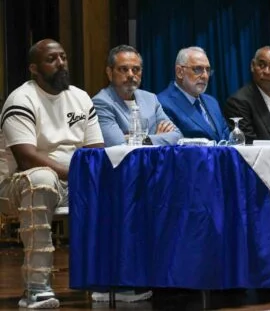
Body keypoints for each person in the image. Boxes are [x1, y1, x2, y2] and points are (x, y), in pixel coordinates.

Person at [0, 39, 104, 308]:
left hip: (72, 181)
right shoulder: (21, 99)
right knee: (41, 180)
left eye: (63, 57)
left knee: (118, 180)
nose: (61, 63)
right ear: (34, 68)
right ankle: (37, 287)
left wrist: (90, 175)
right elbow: (26, 158)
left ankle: (112, 278)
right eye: (51, 59)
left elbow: (96, 150)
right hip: (17, 184)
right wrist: (76, 175)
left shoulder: (80, 97)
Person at [93, 45, 182, 147]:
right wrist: (156, 139)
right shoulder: (101, 102)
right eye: (123, 69)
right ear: (109, 73)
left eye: (136, 69)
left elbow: (177, 136)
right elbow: (117, 144)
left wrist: (146, 140)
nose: (131, 75)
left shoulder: (150, 99)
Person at [158, 47, 229, 142]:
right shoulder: (162, 103)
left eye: (207, 70)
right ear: (180, 72)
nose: (205, 76)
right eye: (198, 69)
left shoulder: (212, 102)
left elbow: (226, 137)